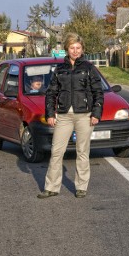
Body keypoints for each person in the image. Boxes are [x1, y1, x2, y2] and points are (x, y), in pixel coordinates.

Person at [37, 33, 104, 199]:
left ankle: (81, 186)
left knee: (82, 151)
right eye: (72, 48)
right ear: (67, 49)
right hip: (64, 116)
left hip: (84, 115)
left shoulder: (89, 68)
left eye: (78, 48)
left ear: (82, 49)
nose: (75, 51)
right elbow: (51, 93)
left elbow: (98, 92)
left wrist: (96, 113)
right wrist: (50, 114)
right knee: (56, 151)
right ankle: (51, 187)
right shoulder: (60, 69)